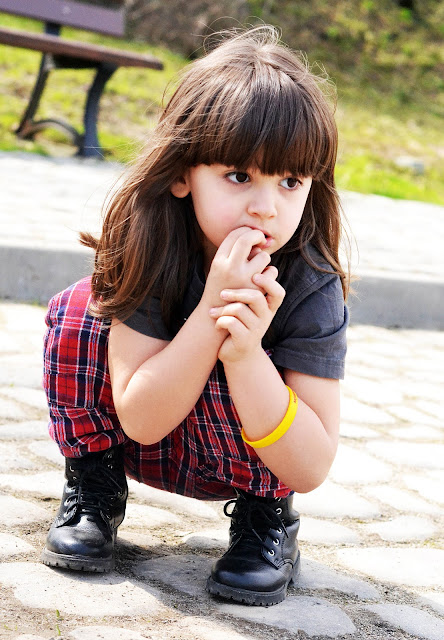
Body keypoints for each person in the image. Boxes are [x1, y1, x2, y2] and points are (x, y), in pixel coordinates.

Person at [41, 25, 349, 607]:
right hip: (144, 440)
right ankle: (94, 488)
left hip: (248, 460)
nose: (266, 207)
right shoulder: (147, 243)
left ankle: (265, 521)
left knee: (264, 361)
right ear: (184, 173)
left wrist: (246, 355)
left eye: (291, 181)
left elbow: (311, 466)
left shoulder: (311, 282)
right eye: (239, 176)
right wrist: (212, 312)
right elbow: (142, 421)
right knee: (81, 308)